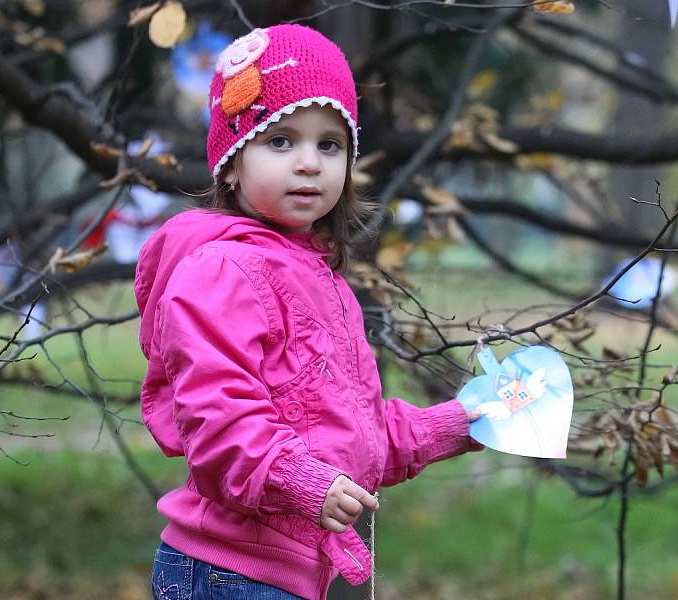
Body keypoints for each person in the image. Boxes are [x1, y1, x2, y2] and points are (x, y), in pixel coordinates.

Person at [135, 24, 479, 600]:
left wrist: (465, 421)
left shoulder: (319, 278)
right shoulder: (223, 271)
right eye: (280, 140)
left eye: (329, 145)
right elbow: (220, 424)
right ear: (231, 163)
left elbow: (352, 435)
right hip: (229, 574)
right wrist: (304, 482)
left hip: (286, 576)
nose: (309, 164)